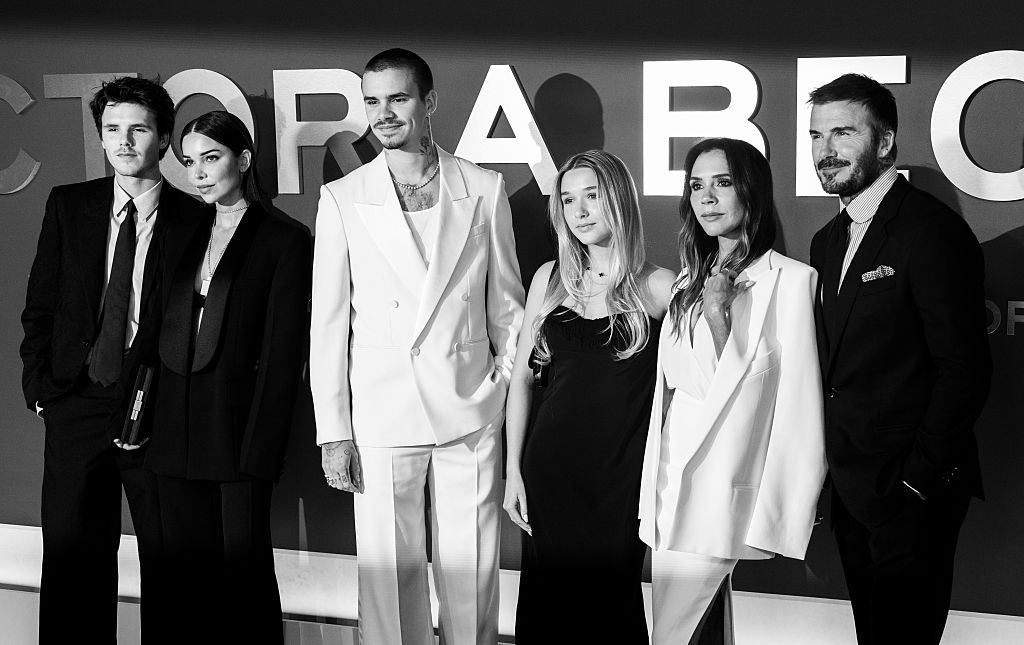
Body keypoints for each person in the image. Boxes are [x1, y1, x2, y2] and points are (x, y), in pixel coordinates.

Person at [311, 48, 524, 645]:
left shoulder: (483, 187)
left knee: (472, 576)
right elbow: (327, 325)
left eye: (397, 99)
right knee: (388, 581)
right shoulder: (344, 199)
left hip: (470, 408)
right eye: (372, 101)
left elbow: (506, 307)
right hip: (382, 413)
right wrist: (335, 432)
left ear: (429, 103)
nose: (383, 114)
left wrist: (498, 387)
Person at [19, 76, 204, 644]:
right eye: (112, 130)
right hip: (75, 402)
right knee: (74, 561)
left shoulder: (195, 219)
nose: (124, 142)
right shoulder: (69, 204)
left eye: (139, 129)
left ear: (165, 138)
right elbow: (41, 306)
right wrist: (44, 390)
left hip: (154, 406)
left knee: (169, 562)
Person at [807, 74, 990, 645]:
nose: (825, 150)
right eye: (816, 135)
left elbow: (965, 369)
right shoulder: (825, 241)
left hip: (912, 494)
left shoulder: (932, 232)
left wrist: (914, 483)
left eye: (842, 132)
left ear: (884, 142)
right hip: (853, 489)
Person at [638, 137, 828, 644]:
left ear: (751, 191)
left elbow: (796, 405)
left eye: (722, 183)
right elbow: (673, 394)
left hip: (727, 488)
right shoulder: (684, 284)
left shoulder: (791, 281)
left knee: (673, 632)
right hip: (670, 486)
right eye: (697, 186)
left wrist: (721, 313)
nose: (707, 198)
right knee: (689, 627)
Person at [137, 110, 311, 644]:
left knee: (245, 581)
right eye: (189, 162)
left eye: (211, 159)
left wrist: (262, 449)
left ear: (244, 158)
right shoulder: (180, 230)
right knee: (179, 583)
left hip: (237, 435)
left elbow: (283, 357)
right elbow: (152, 329)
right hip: (171, 432)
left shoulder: (285, 239)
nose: (198, 174)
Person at [503, 150, 673, 643]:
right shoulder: (550, 279)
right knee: (547, 609)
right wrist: (514, 470)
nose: (578, 212)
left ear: (618, 200)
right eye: (568, 200)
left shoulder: (660, 287)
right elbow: (522, 381)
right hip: (549, 471)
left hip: (619, 481)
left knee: (610, 608)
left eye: (592, 197)